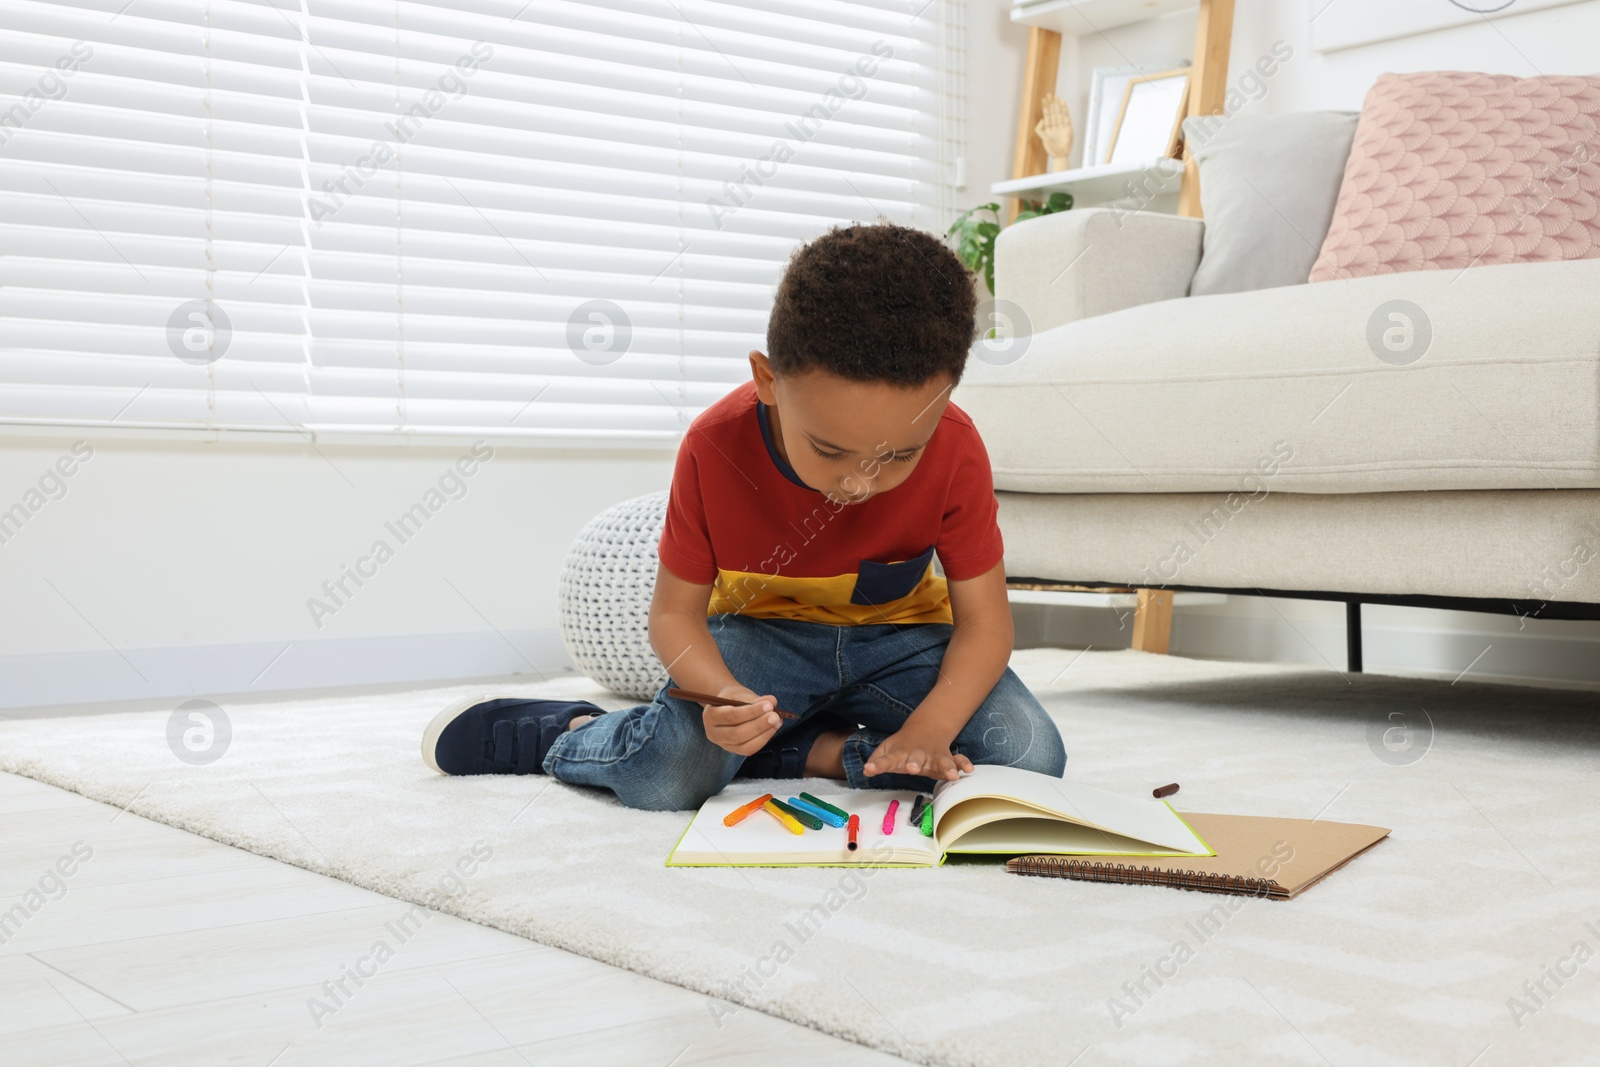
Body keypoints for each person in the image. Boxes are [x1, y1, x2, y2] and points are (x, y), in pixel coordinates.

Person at [422, 222, 1067, 810]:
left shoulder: (956, 446)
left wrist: (931, 728)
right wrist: (720, 698)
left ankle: (803, 748)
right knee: (666, 777)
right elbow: (674, 614)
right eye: (829, 449)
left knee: (1029, 759)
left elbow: (985, 624)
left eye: (899, 455)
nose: (857, 482)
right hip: (764, 642)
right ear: (767, 380)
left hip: (901, 645)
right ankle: (573, 733)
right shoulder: (713, 446)